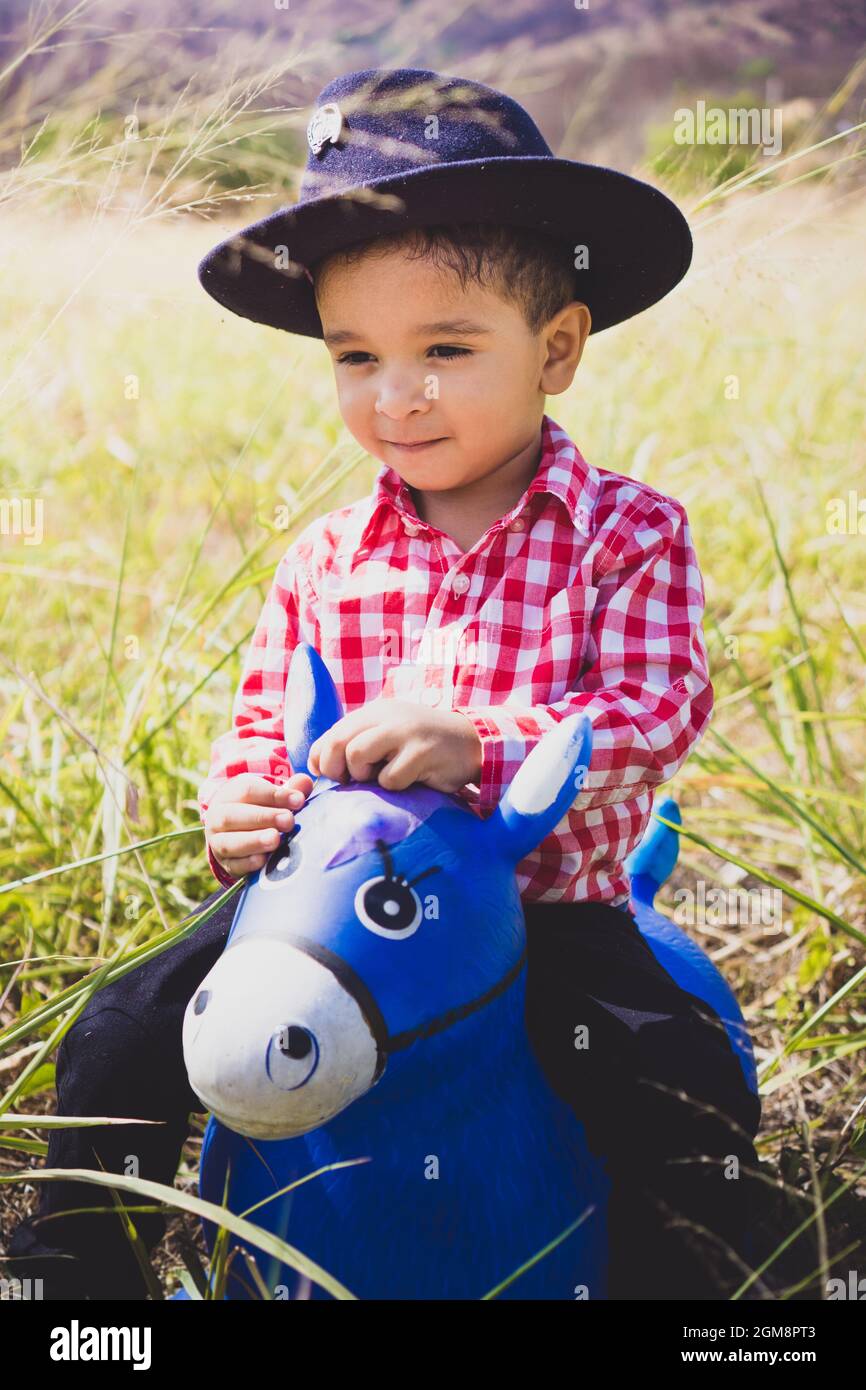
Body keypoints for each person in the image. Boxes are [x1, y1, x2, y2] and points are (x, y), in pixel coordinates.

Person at [3, 66, 763, 1301]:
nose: (393, 396)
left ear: (555, 348)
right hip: (325, 912)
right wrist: (246, 803)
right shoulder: (325, 557)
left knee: (667, 1066)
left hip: (548, 912)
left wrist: (484, 743)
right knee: (128, 1024)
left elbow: (657, 707)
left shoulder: (625, 534)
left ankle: (696, 1273)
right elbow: (265, 722)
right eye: (355, 356)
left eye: (445, 350)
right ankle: (77, 1263)